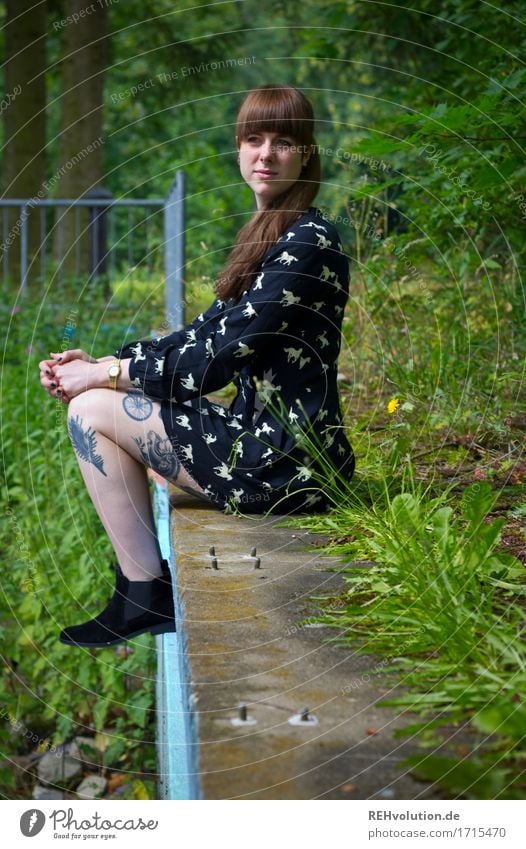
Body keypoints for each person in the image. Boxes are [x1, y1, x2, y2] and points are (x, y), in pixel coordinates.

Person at [39, 83, 355, 648]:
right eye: (253, 139)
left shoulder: (310, 241)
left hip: (285, 464)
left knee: (91, 409)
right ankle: (138, 593)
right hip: (266, 445)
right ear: (237, 149)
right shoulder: (270, 237)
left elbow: (216, 363)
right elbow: (202, 335)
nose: (265, 153)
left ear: (306, 154)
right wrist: (106, 361)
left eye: (283, 141)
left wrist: (100, 379)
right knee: (94, 403)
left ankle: (143, 596)